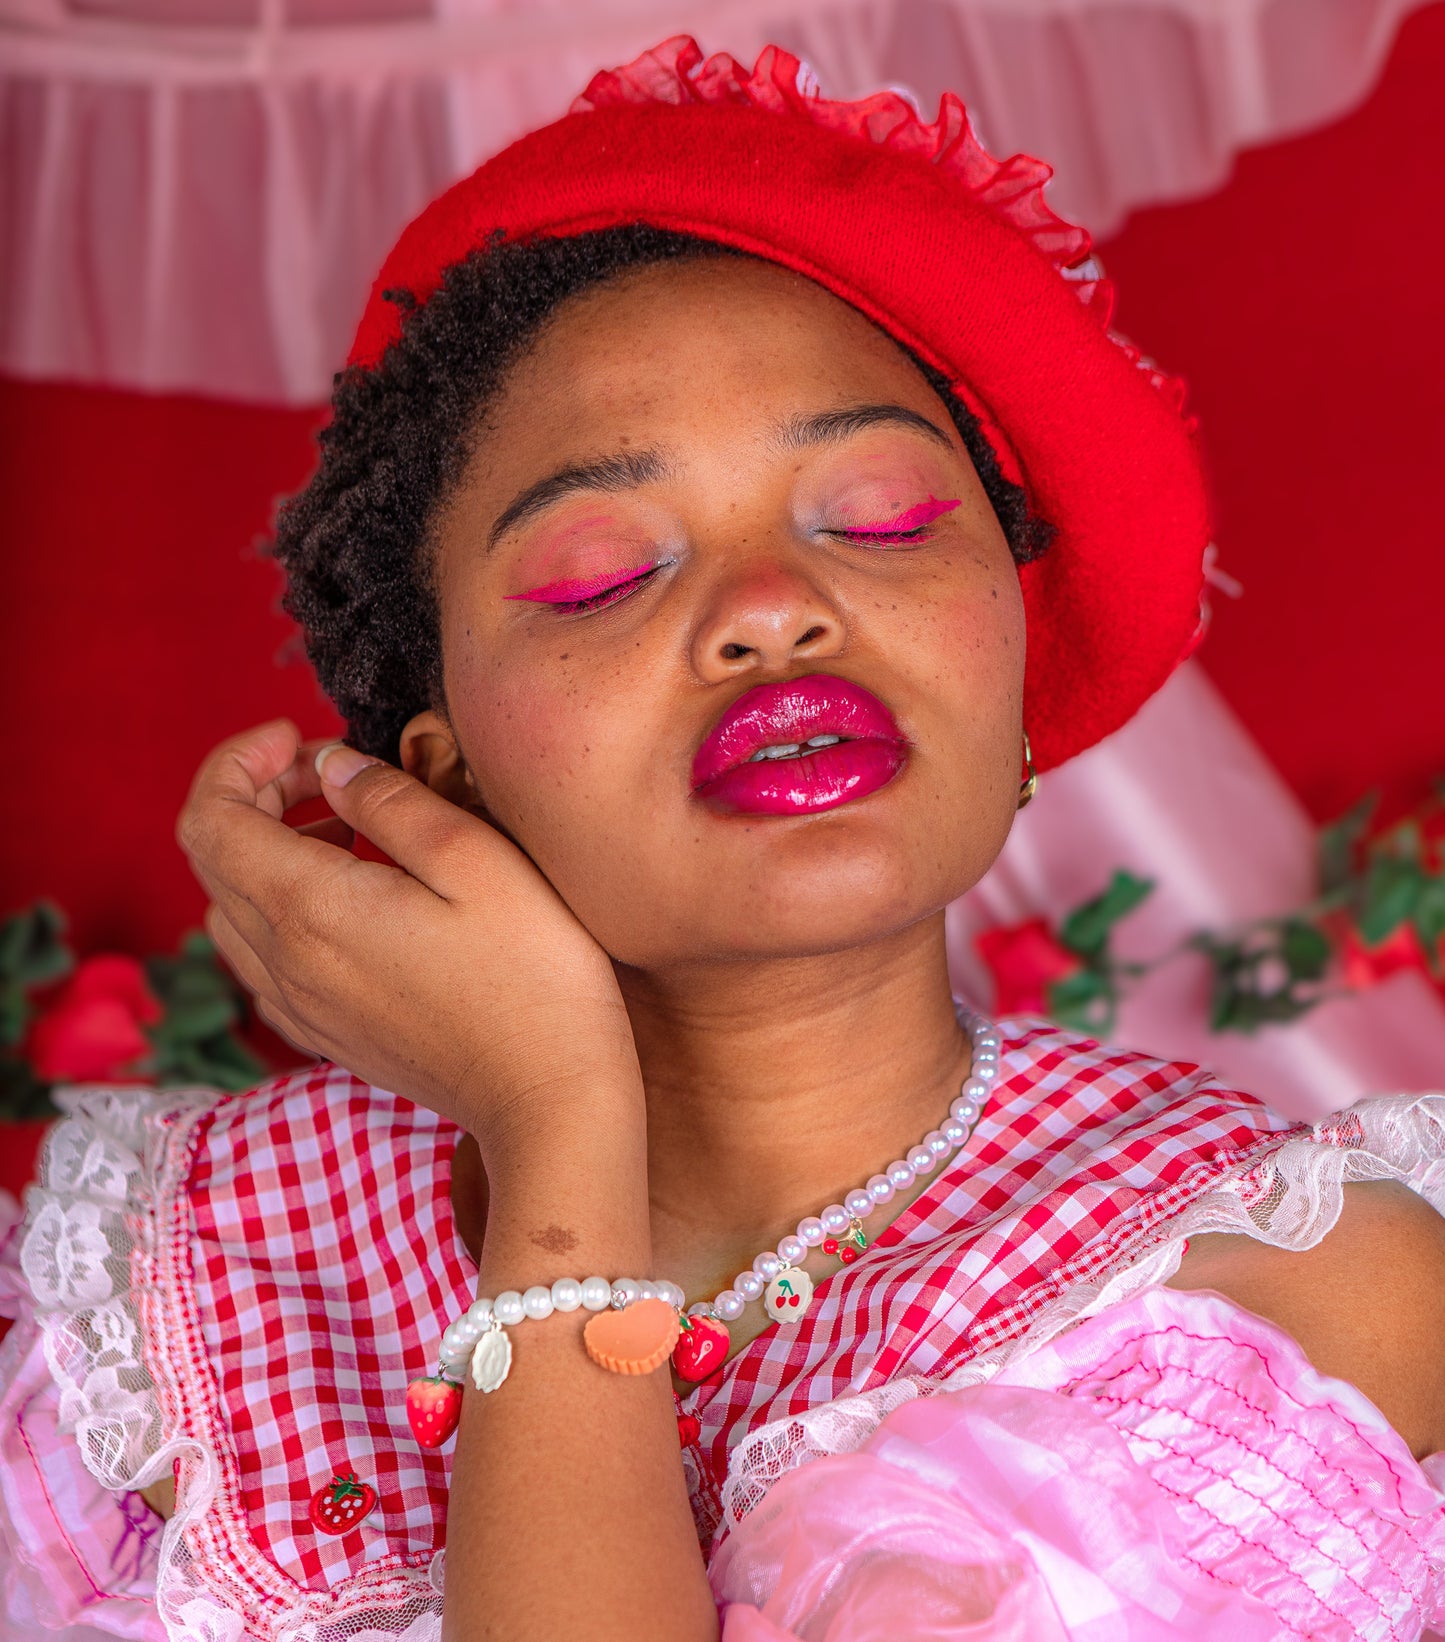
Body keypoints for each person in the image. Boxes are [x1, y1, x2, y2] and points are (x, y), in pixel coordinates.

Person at [3, 36, 1443, 1642]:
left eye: (882, 521)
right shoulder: (164, 1287)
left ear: (1018, 680)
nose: (774, 610)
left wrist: (556, 1123)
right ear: (441, 768)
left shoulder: (1262, 1299)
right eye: (605, 572)